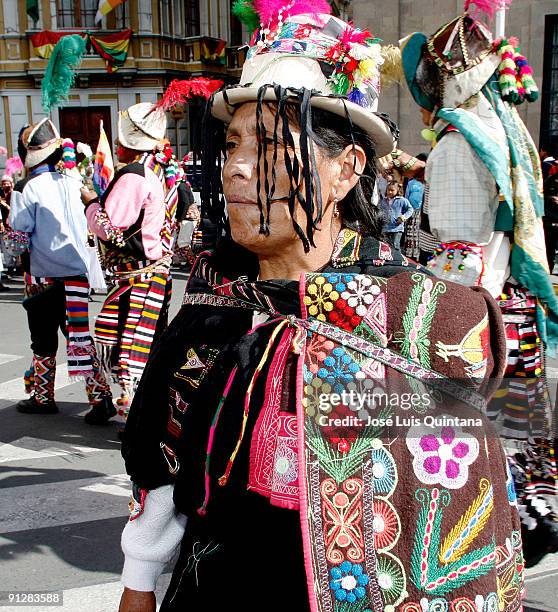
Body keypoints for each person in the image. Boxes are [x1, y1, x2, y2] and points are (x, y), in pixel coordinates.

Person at [118, 4, 523, 612]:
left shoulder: (429, 320)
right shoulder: (214, 310)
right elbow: (164, 464)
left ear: (345, 168)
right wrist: (139, 581)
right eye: (231, 145)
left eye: (272, 144)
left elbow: (458, 516)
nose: (238, 167)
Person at [400, 0, 558, 565]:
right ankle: (527, 524)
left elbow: (461, 253)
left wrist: (413, 297)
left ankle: (495, 548)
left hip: (477, 314)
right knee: (516, 435)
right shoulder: (496, 131)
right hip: (512, 305)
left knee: (468, 449)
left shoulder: (454, 143)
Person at [8, 118, 115, 424]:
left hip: (43, 277)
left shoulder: (25, 187)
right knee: (80, 336)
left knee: (42, 340)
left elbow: (19, 239)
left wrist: (7, 237)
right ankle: (100, 397)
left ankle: (43, 397)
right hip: (77, 274)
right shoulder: (74, 183)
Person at [81, 104, 177, 414]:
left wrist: (91, 204)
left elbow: (110, 226)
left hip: (138, 278)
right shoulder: (150, 173)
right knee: (145, 345)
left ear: (126, 143)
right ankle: (146, 411)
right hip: (150, 274)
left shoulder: (133, 175)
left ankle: (136, 415)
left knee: (131, 347)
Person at [379, 179, 413, 249]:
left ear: (397, 190)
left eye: (392, 190)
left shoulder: (402, 200)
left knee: (395, 246)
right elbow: (380, 211)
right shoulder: (383, 201)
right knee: (385, 247)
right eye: (388, 190)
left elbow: (410, 209)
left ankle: (398, 260)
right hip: (386, 228)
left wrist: (403, 217)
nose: (390, 192)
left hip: (397, 228)